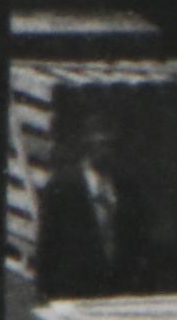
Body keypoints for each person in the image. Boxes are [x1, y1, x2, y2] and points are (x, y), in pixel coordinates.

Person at [35, 115, 138, 301]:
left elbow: (135, 240)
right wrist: (45, 293)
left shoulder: (126, 187)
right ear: (87, 147)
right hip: (75, 290)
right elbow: (48, 242)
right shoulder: (62, 185)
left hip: (116, 292)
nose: (105, 151)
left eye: (111, 144)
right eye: (99, 143)